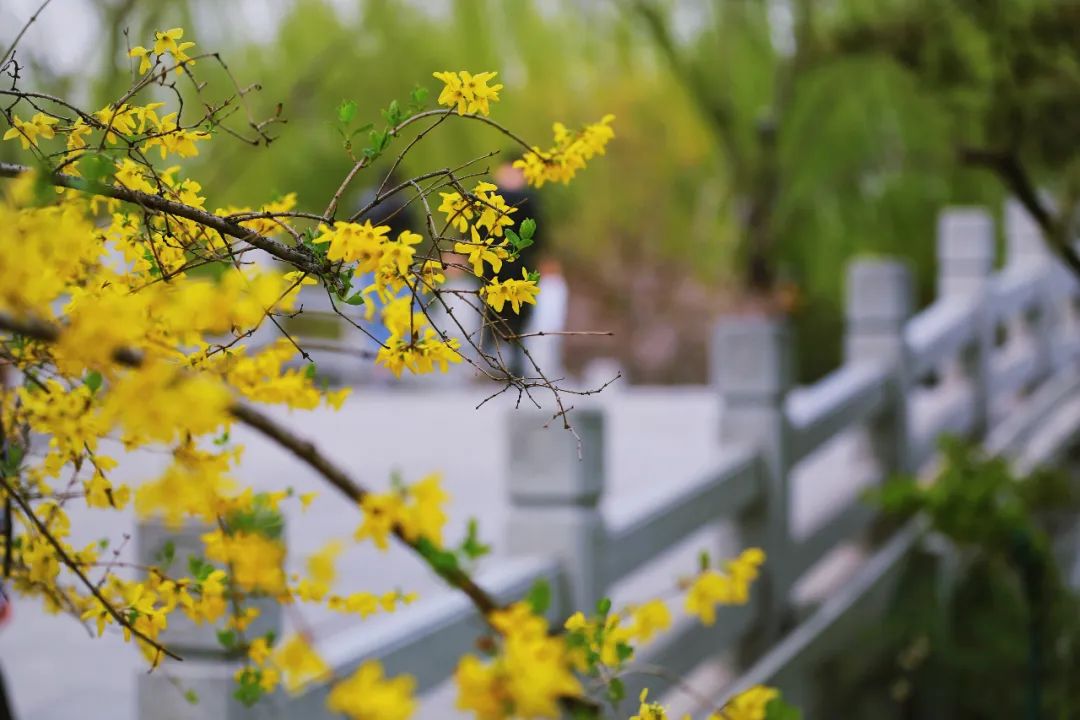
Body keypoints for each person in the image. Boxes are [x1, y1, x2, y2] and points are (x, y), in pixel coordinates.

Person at [485, 158, 545, 376]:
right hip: (493, 264)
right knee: (491, 312)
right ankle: (491, 360)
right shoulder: (490, 197)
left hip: (516, 264)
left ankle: (514, 361)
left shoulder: (529, 199)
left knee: (518, 314)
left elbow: (538, 232)